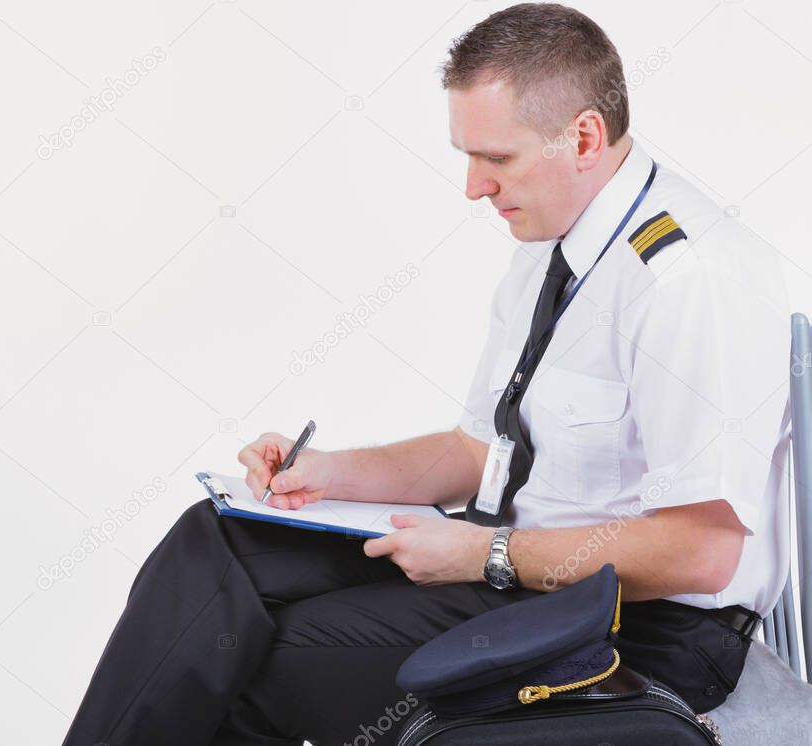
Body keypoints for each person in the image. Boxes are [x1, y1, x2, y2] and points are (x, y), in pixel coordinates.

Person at [61, 4, 791, 744]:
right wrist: (328, 473)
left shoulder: (686, 280)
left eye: (495, 159)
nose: (473, 187)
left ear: (582, 137)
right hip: (517, 572)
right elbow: (475, 454)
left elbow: (701, 551)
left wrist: (486, 554)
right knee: (215, 541)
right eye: (466, 156)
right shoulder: (551, 247)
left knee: (247, 652)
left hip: (626, 625)